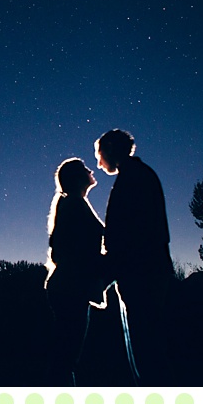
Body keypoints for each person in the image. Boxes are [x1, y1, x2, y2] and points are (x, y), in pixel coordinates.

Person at [95, 129, 174, 385]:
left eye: (100, 155)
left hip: (141, 274)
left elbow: (130, 234)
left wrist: (109, 269)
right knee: (148, 346)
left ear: (110, 150)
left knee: (146, 349)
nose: (98, 163)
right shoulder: (139, 175)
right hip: (146, 270)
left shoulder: (133, 180)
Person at [44, 157, 106, 386]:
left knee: (66, 353)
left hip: (68, 288)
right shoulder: (74, 205)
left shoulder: (73, 203)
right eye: (84, 169)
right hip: (71, 289)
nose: (91, 170)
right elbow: (76, 250)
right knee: (66, 356)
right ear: (77, 178)